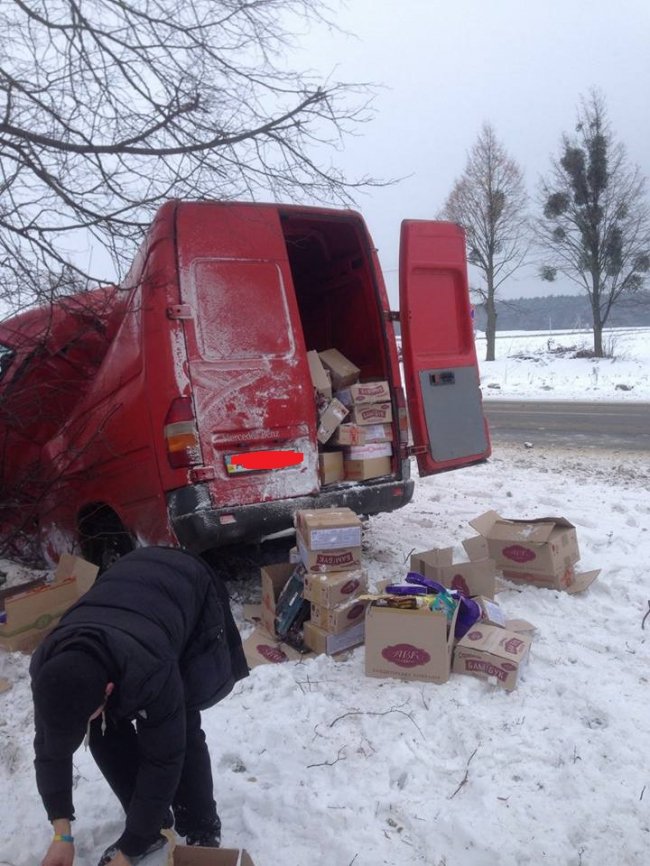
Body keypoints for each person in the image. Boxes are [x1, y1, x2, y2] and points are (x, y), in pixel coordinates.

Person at [30, 546, 249, 866]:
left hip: (188, 587)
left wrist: (128, 850)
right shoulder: (49, 667)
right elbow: (50, 751)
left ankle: (201, 825)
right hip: (130, 600)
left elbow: (164, 758)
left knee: (182, 721)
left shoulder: (151, 669)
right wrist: (62, 834)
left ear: (107, 689)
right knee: (102, 729)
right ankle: (151, 827)